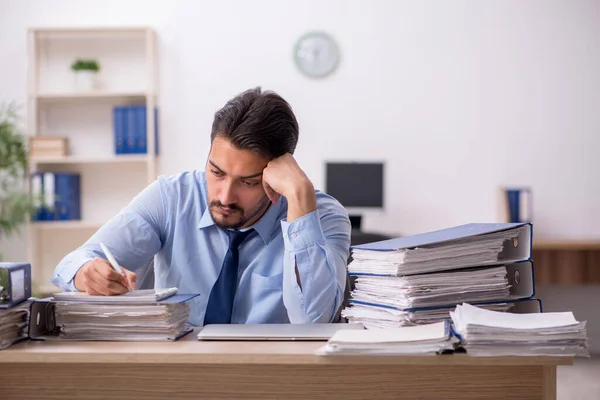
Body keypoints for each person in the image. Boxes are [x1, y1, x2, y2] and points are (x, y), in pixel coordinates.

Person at [51, 87, 351, 326]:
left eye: (248, 182)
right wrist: (85, 272)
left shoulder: (322, 217)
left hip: (270, 379)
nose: (224, 196)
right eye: (217, 172)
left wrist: (300, 196)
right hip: (178, 375)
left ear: (278, 173)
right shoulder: (171, 198)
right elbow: (73, 262)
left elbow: (313, 320)